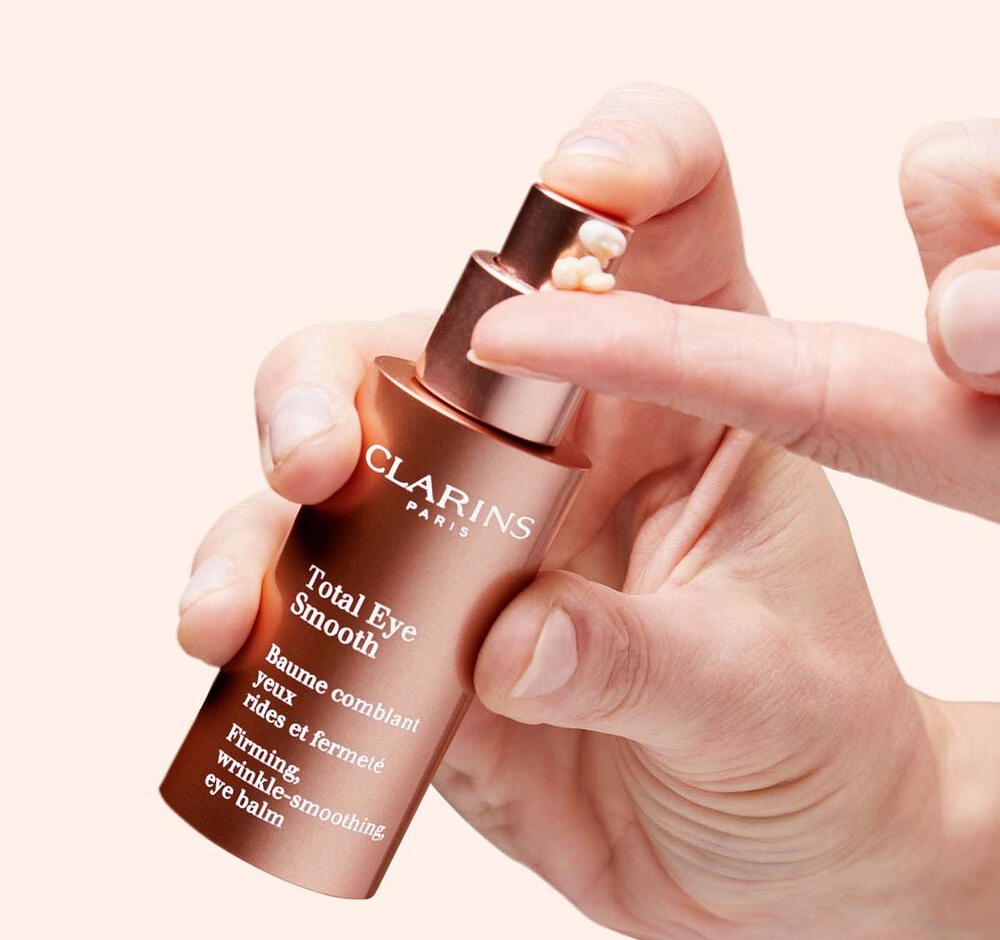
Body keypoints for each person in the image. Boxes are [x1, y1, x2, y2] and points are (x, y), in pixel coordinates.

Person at [175, 85, 1000, 938]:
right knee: (310, 478)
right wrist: (908, 830)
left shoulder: (559, 474)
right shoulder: (424, 408)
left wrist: (909, 826)